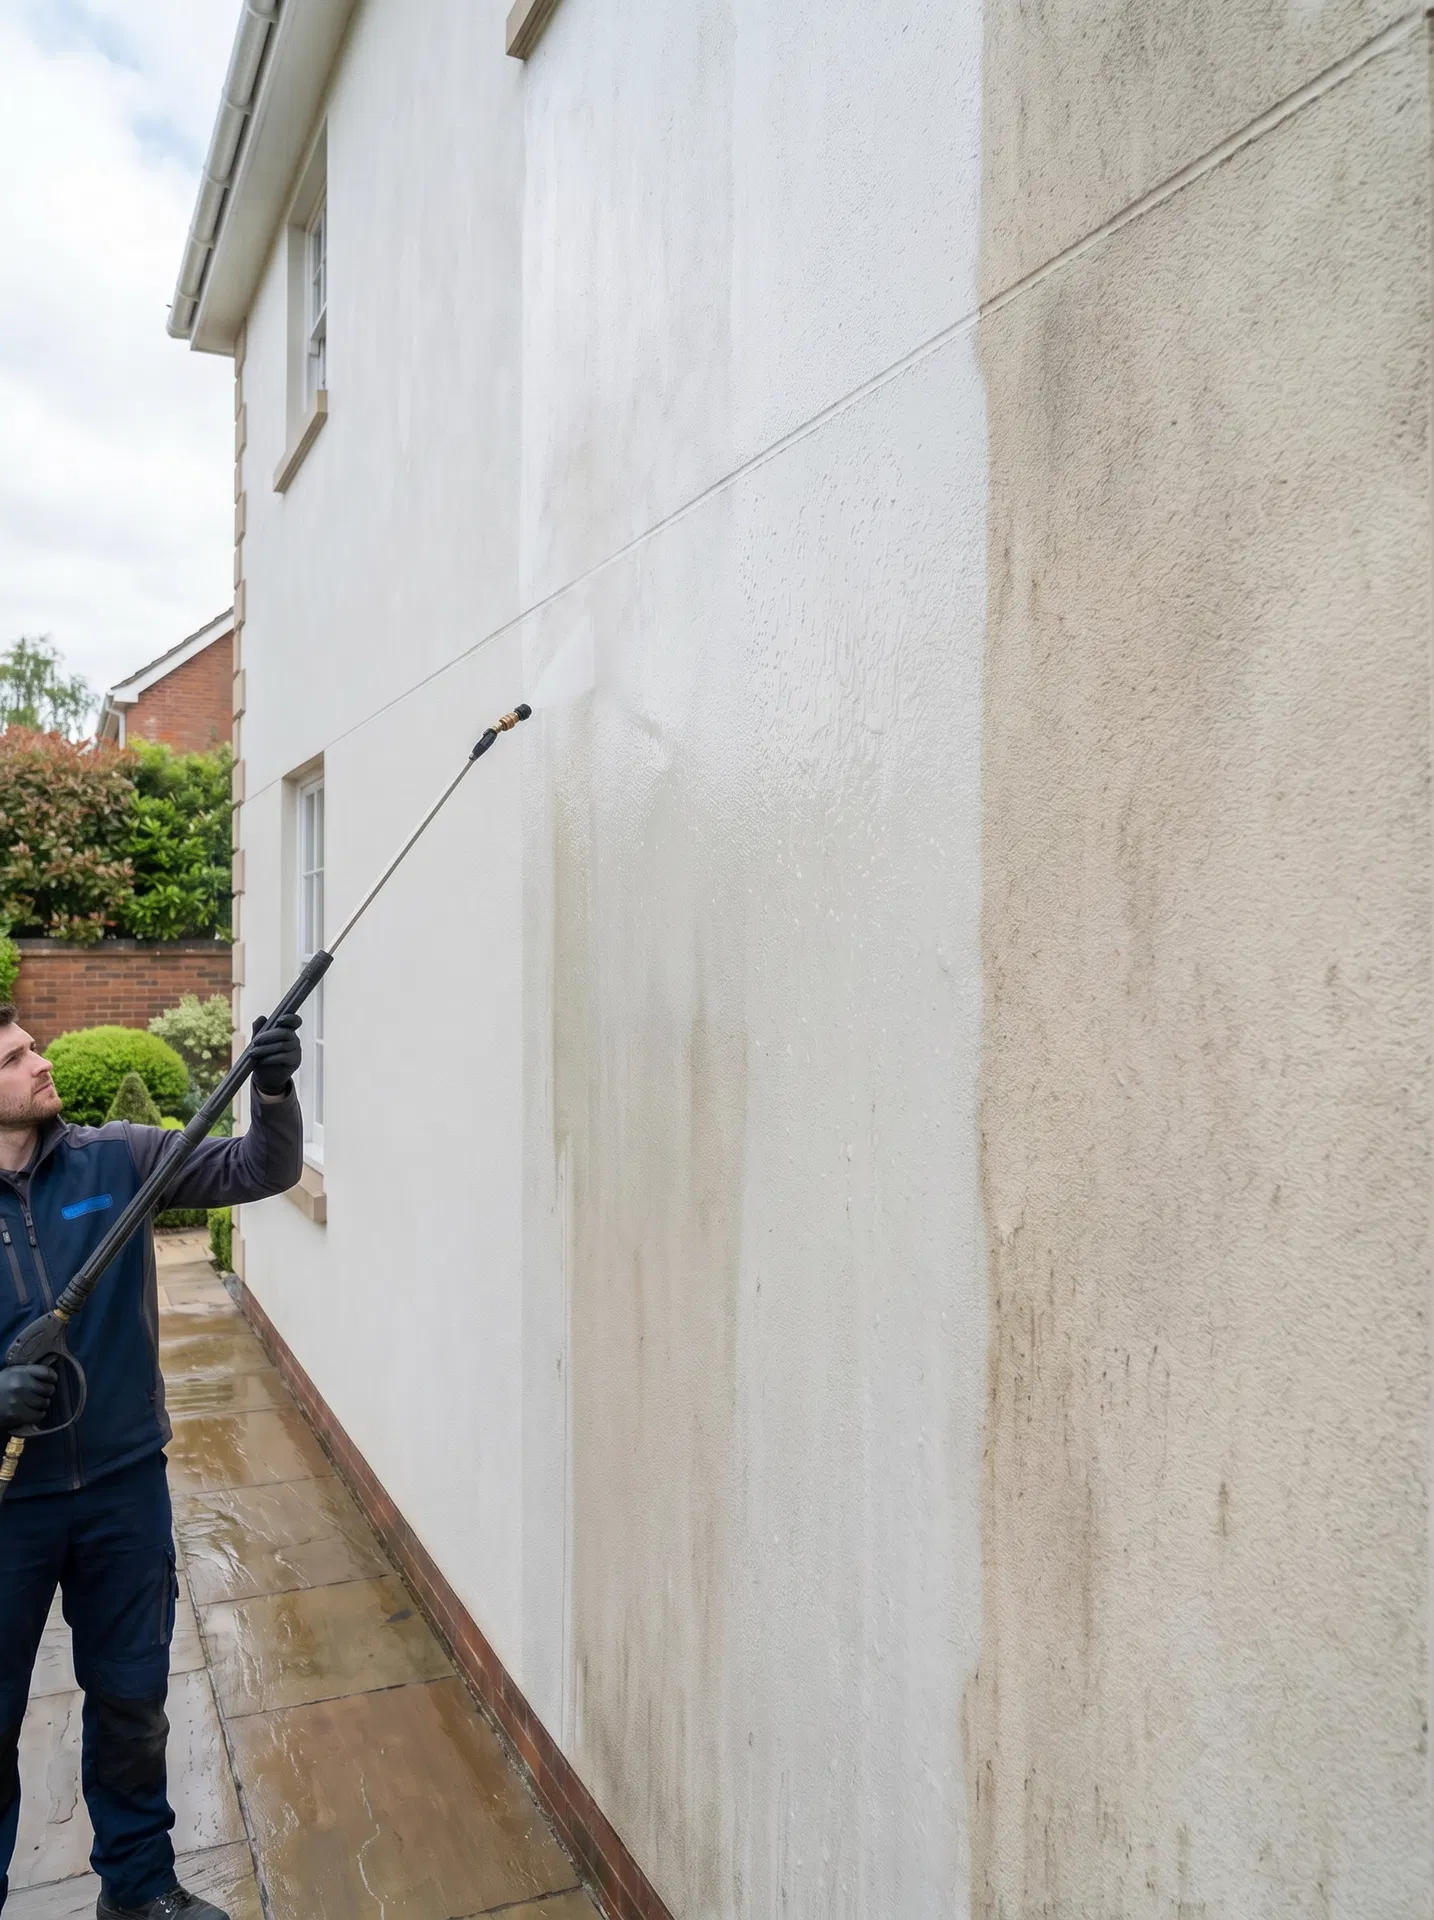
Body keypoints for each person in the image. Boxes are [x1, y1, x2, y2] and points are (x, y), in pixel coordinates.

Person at [0, 1005, 303, 1920]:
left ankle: (137, 1888)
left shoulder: (116, 1158)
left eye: (32, 1044)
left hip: (125, 1489)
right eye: (16, 1058)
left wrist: (277, 1088)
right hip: (10, 1511)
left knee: (131, 1700)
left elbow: (263, 1166)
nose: (42, 1060)